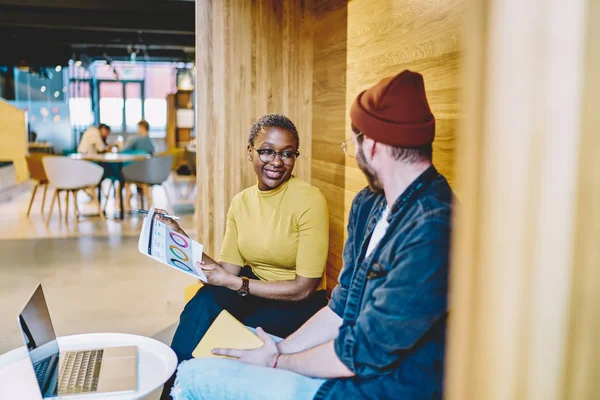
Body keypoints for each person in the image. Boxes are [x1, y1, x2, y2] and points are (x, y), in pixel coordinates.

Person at [170, 70, 454, 400]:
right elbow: (343, 306)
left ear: (373, 145)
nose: (353, 151)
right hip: (347, 353)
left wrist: (278, 360)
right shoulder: (369, 203)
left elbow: (362, 352)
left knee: (194, 379)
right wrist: (279, 350)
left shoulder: (432, 227)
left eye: (353, 143)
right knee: (207, 338)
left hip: (383, 383)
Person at [159, 114, 330, 399]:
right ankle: (177, 388)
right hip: (254, 287)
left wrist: (236, 284)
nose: (276, 162)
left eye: (287, 154)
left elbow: (303, 289)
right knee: (202, 302)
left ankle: (174, 391)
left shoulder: (310, 200)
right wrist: (180, 239)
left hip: (297, 304)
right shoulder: (241, 202)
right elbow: (225, 271)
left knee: (207, 308)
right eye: (267, 151)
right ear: (250, 151)